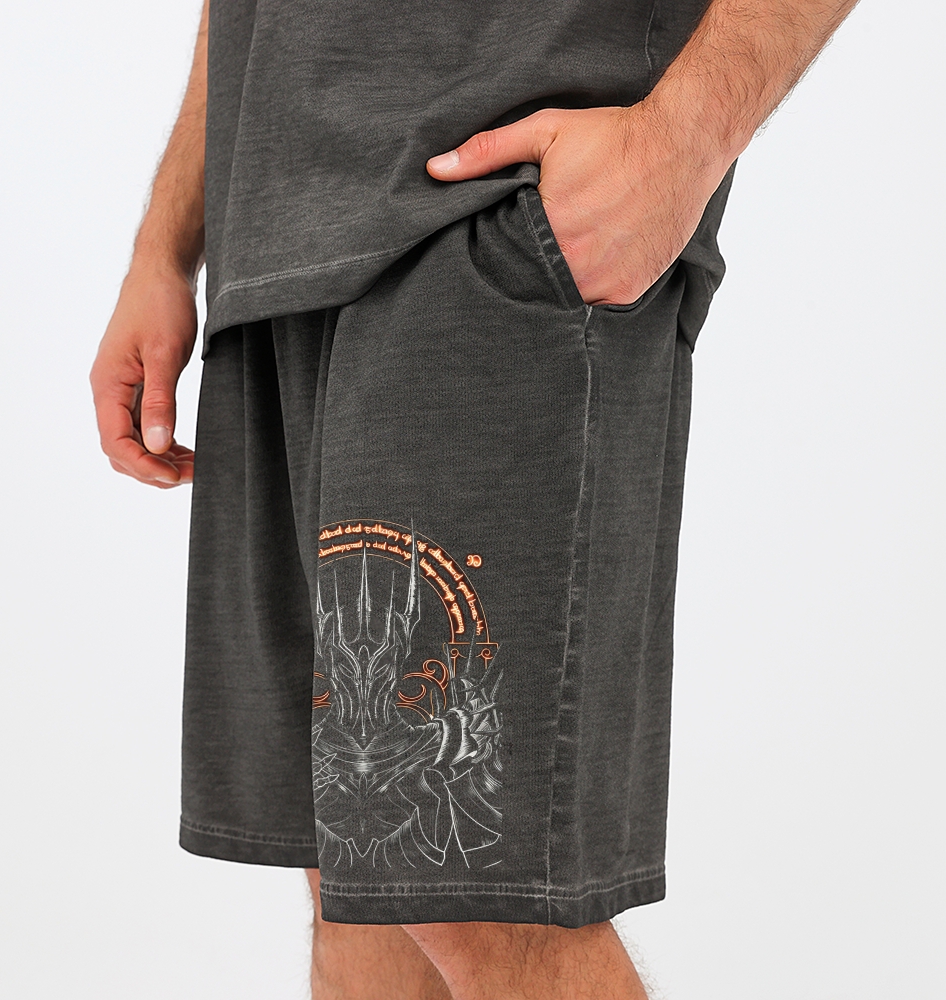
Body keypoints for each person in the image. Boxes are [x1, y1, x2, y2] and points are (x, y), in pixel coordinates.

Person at [90, 1, 859, 996]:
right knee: (353, 877)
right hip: (271, 241)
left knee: (467, 883)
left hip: (488, 214)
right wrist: (165, 247)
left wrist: (682, 138)